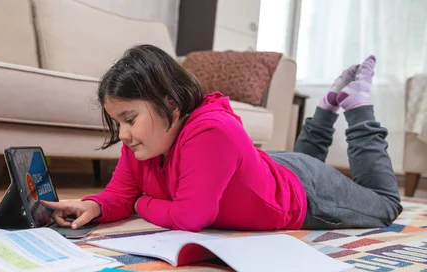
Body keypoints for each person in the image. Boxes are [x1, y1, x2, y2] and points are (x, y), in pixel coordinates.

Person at [41, 45, 402, 232]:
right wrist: (97, 205)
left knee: (386, 205)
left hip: (306, 194)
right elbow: (120, 193)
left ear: (169, 103)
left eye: (130, 119)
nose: (123, 134)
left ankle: (357, 107)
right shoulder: (143, 141)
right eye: (118, 122)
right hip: (269, 170)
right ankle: (325, 109)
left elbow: (190, 216)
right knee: (294, 163)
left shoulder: (211, 131)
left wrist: (141, 204)